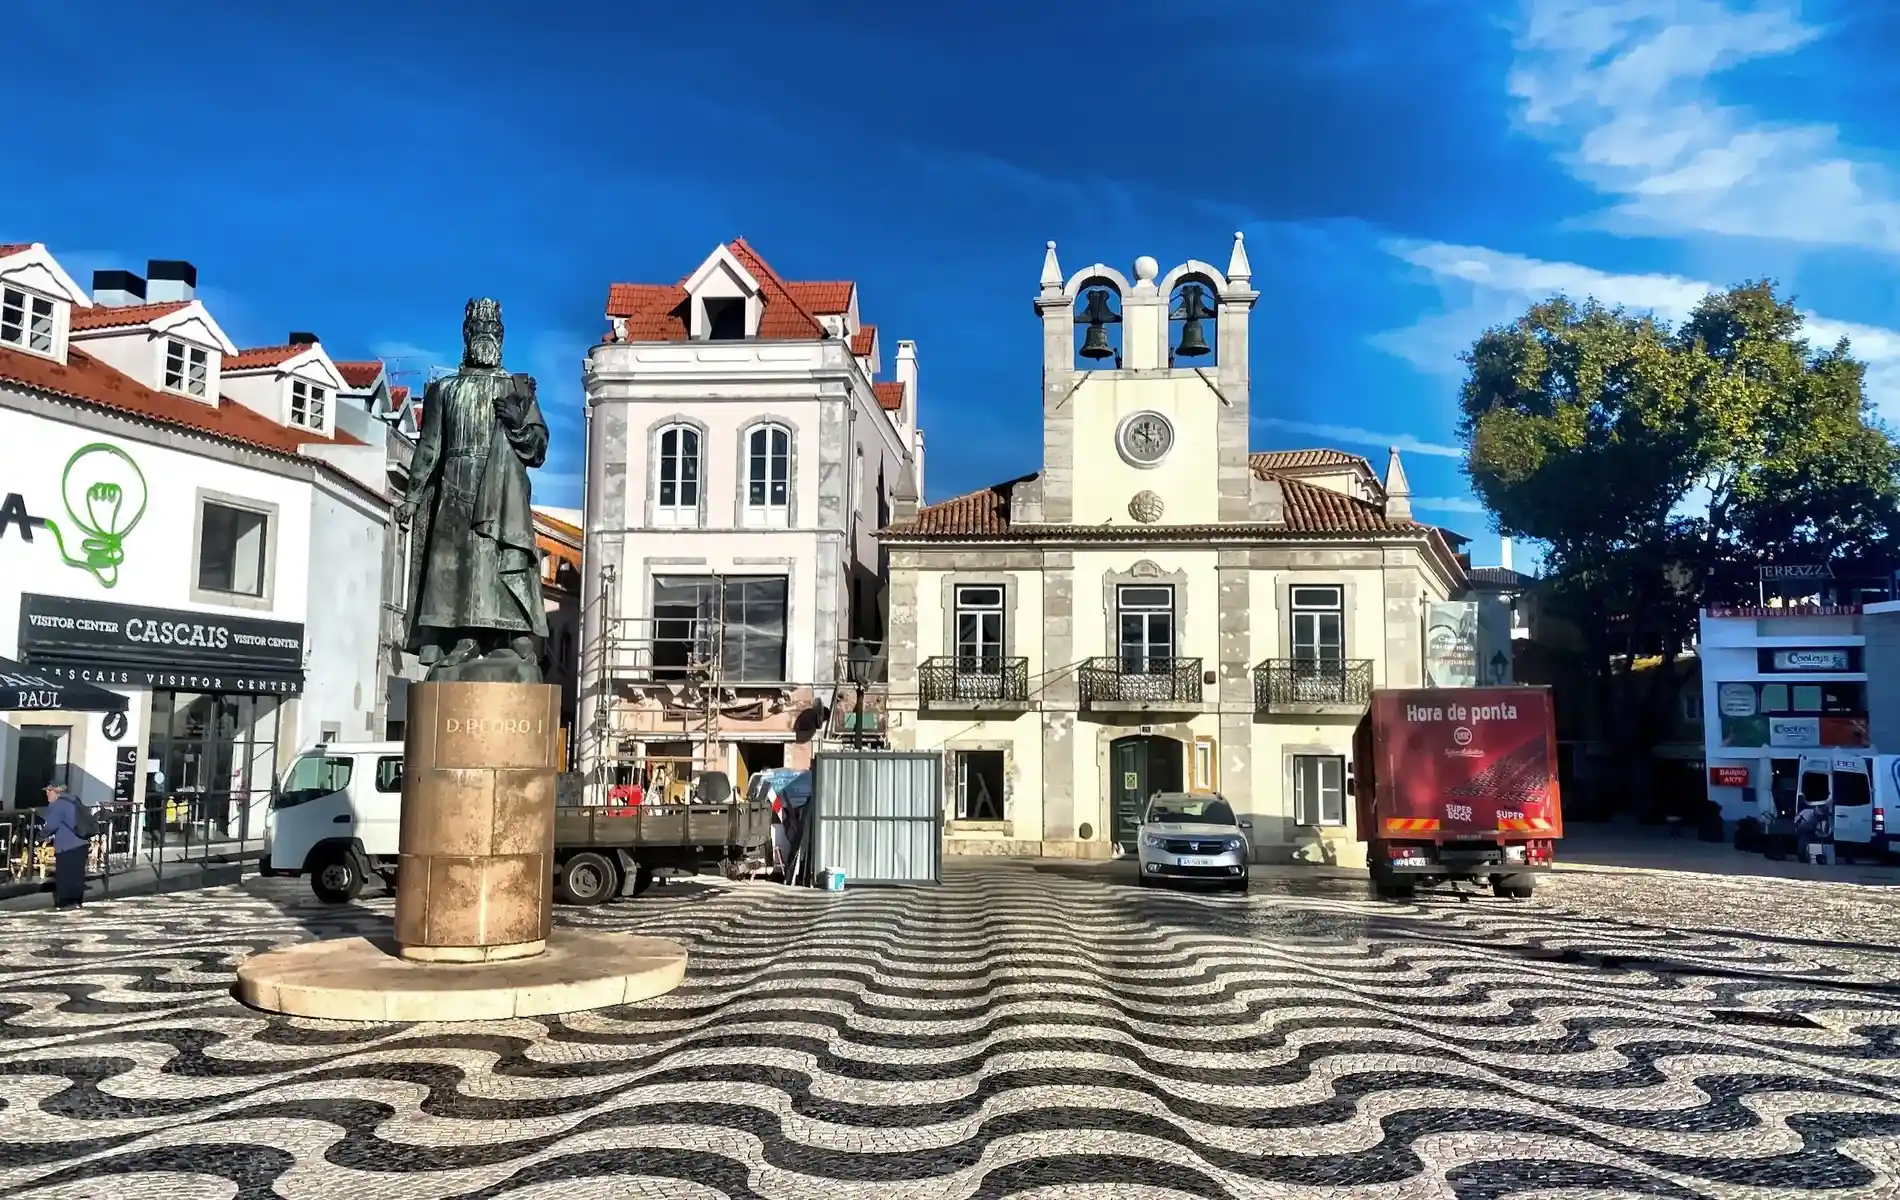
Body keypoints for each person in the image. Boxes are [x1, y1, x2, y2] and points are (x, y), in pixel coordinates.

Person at [38, 785, 90, 909]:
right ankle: (77, 901)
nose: (46, 795)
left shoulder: (58, 805)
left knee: (64, 874)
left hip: (67, 845)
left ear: (54, 791)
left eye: (47, 792)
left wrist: (40, 835)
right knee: (77, 874)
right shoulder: (74, 800)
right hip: (81, 843)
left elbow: (51, 825)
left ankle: (65, 902)